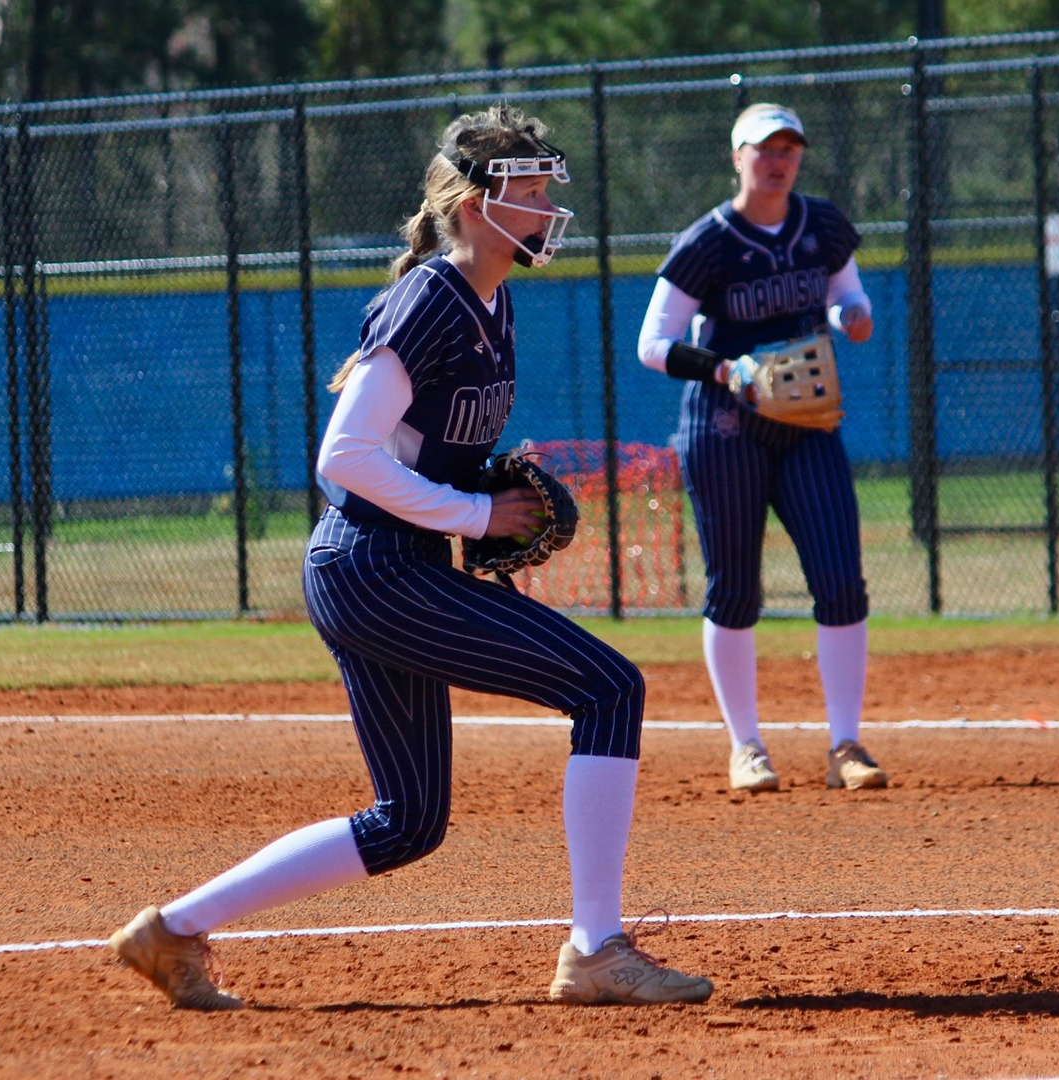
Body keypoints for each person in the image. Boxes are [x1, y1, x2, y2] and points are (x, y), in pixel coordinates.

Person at [109, 105, 712, 1010]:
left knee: (407, 824)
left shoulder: (492, 298)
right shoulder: (434, 297)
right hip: (375, 568)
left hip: (390, 570)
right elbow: (342, 455)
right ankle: (595, 951)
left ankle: (171, 932)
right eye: (531, 189)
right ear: (474, 204)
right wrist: (475, 512)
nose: (549, 206)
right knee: (608, 688)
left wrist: (477, 504)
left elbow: (411, 449)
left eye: (549, 187)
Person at [636, 103, 886, 795]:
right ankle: (746, 746)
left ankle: (846, 746)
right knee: (734, 590)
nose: (777, 160)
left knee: (841, 580)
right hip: (725, 427)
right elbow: (652, 343)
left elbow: (847, 300)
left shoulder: (824, 226)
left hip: (807, 423)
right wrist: (723, 368)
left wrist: (851, 318)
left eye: (788, 148)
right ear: (737, 156)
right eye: (763, 148)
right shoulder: (708, 242)